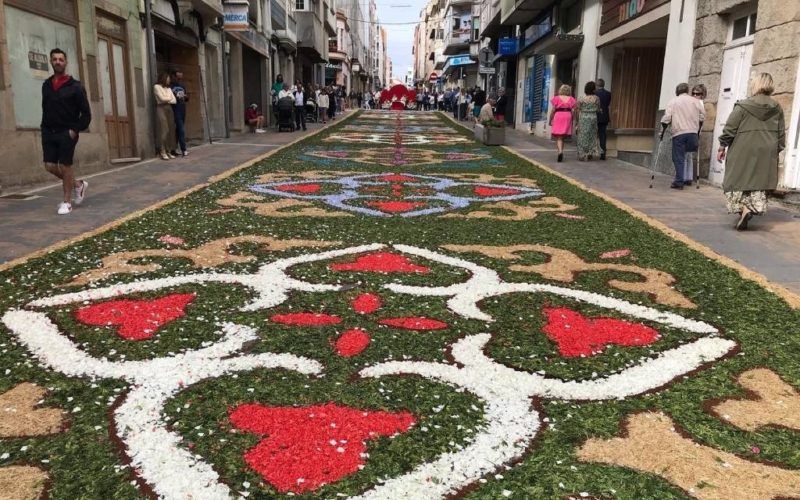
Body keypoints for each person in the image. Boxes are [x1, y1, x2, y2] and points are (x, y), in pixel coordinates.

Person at [717, 73, 785, 231]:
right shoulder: (777, 108)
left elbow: (730, 128)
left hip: (743, 147)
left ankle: (743, 209)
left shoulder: (743, 106)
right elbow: (781, 132)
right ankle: (750, 208)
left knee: (738, 178)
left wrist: (722, 146)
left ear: (755, 84)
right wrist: (778, 148)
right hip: (766, 149)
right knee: (758, 182)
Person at [41, 48, 91, 215]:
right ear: (51, 62)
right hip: (49, 131)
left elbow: (86, 114)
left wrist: (74, 130)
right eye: (54, 59)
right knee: (49, 166)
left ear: (66, 62)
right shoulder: (46, 85)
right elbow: (45, 108)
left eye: (61, 59)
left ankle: (67, 202)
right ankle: (78, 185)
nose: (58, 62)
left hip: (67, 132)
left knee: (64, 165)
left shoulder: (75, 86)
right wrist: (44, 127)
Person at [661, 83, 705, 189]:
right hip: (693, 134)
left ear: (677, 92)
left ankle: (679, 182)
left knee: (679, 158)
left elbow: (667, 118)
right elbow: (702, 116)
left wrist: (661, 132)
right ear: (687, 90)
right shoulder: (696, 101)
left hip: (679, 134)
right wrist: (697, 130)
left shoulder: (673, 101)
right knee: (687, 156)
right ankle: (687, 178)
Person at [684, 84, 707, 185]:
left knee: (685, 154)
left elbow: (701, 119)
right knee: (688, 154)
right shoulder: (694, 103)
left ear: (702, 95)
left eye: (697, 93)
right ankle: (688, 177)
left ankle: (685, 177)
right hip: (692, 131)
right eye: (693, 93)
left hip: (692, 131)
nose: (695, 95)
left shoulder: (699, 104)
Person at [548, 84, 576, 162]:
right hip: (567, 115)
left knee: (559, 137)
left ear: (560, 90)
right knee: (562, 137)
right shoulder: (571, 99)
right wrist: (573, 120)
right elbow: (573, 111)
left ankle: (560, 152)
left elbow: (553, 110)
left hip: (558, 115)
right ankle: (561, 151)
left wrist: (550, 120)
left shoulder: (556, 98)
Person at [576, 81, 602, 161]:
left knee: (582, 135)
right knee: (592, 135)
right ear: (593, 89)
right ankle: (590, 153)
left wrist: (577, 121)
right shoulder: (596, 98)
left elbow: (578, 109)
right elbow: (598, 109)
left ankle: (582, 153)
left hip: (583, 117)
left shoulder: (581, 98)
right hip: (593, 118)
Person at [154, 72, 177, 161]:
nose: (169, 80)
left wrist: (167, 98)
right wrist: (168, 98)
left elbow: (174, 100)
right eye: (168, 79)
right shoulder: (157, 87)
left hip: (169, 109)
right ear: (163, 78)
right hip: (161, 108)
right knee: (164, 129)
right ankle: (162, 151)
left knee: (171, 129)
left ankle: (168, 151)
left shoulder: (169, 89)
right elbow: (162, 99)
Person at [170, 70, 189, 157]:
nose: (179, 79)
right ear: (173, 76)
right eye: (178, 77)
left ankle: (173, 149)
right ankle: (183, 149)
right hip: (175, 109)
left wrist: (185, 97)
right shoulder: (170, 86)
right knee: (181, 129)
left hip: (182, 108)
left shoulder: (182, 86)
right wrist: (176, 96)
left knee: (178, 130)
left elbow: (187, 97)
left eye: (181, 78)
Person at [595, 79, 611, 160]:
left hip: (595, 116)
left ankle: (591, 152)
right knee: (603, 135)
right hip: (604, 116)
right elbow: (608, 104)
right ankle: (603, 154)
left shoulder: (595, 94)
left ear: (597, 85)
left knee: (593, 135)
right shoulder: (608, 94)